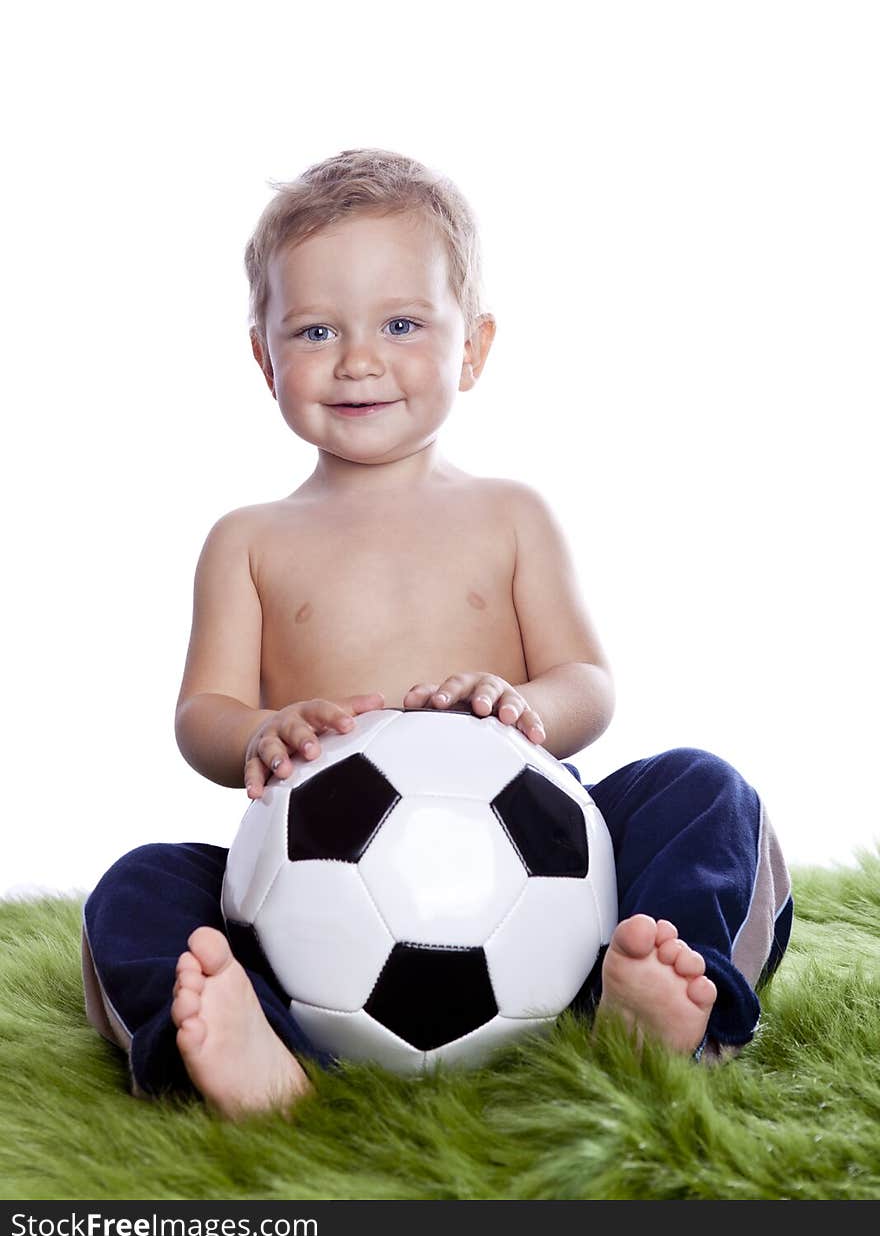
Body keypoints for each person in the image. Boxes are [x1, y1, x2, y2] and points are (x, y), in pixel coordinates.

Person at [81, 147, 793, 1119]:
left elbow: (585, 679)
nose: (359, 357)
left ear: (474, 346)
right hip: (311, 889)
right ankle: (250, 1056)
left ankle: (659, 1002)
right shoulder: (248, 540)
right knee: (138, 886)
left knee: (707, 790)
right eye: (316, 328)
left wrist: (522, 705)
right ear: (264, 356)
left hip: (539, 859)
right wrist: (258, 732)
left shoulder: (510, 513)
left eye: (402, 323)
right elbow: (201, 711)